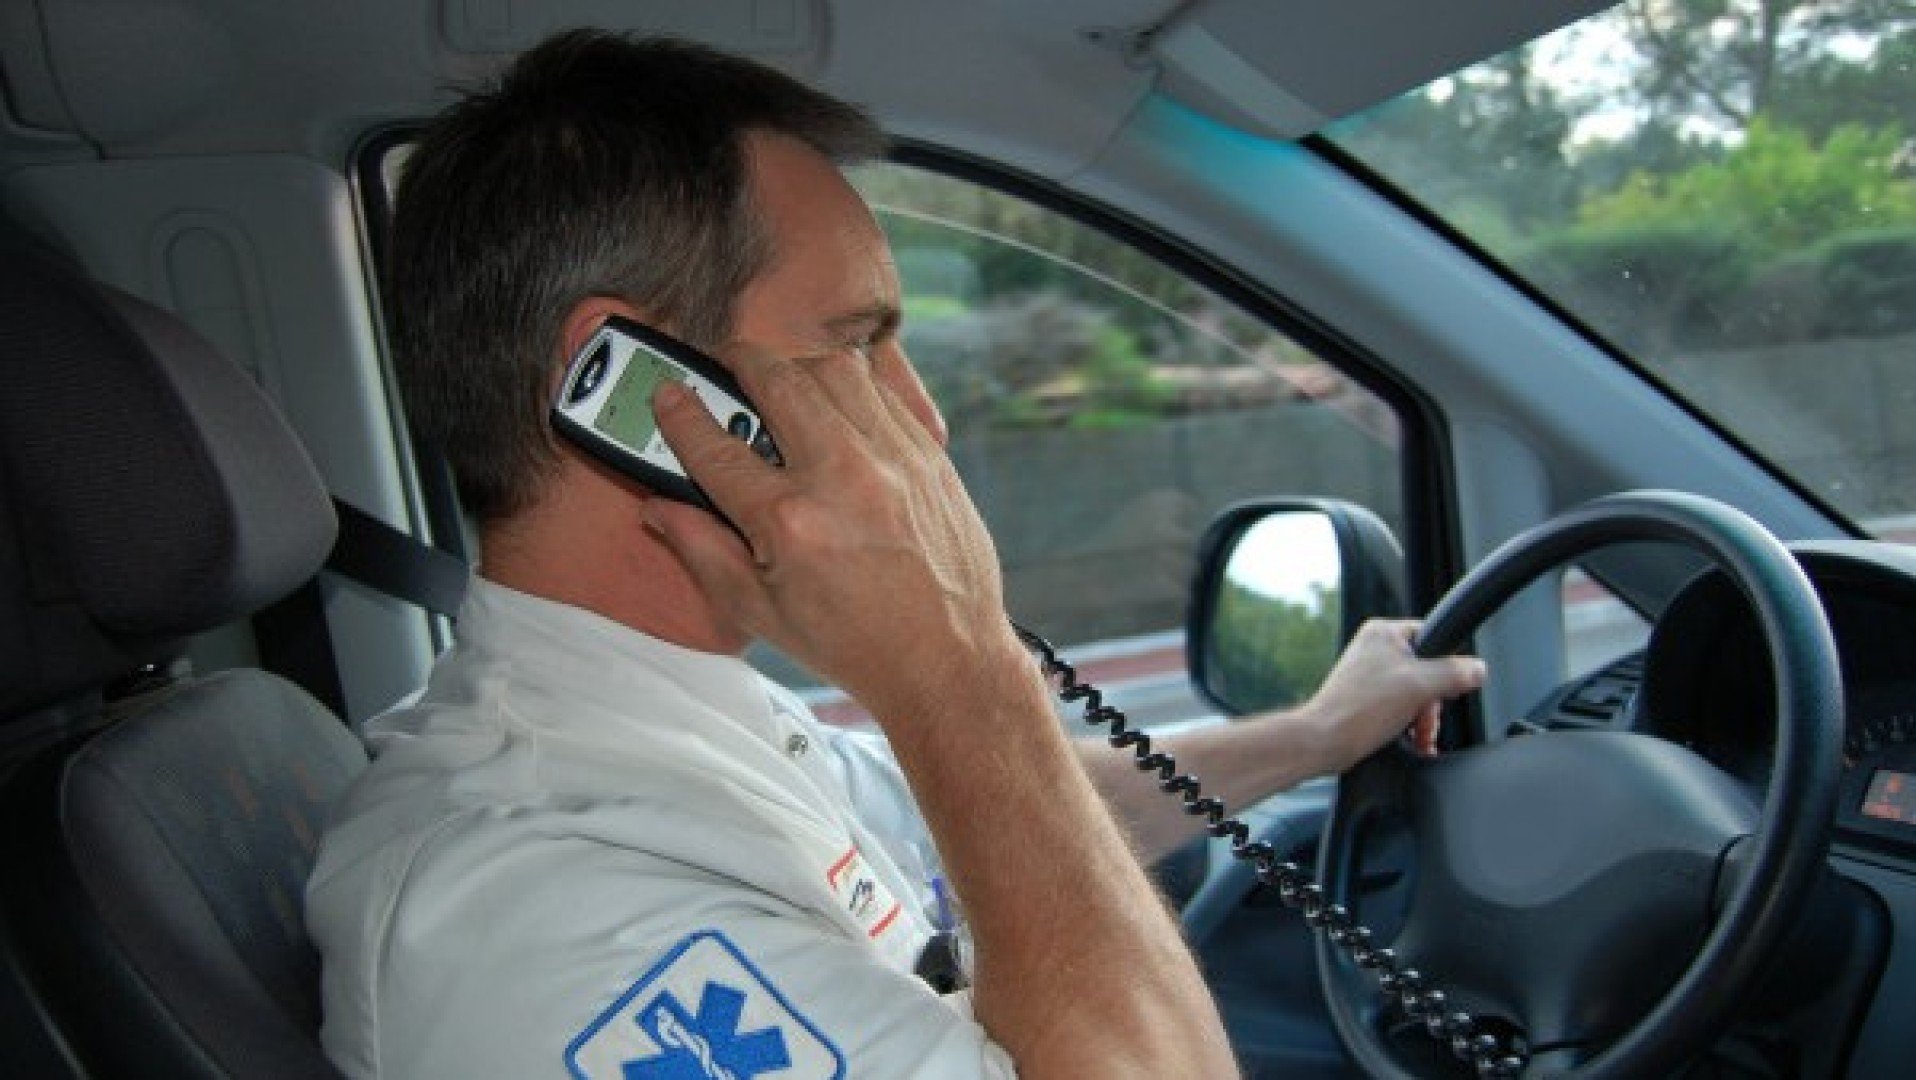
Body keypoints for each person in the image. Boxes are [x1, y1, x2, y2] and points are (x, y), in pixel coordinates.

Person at [304, 30, 1487, 1080]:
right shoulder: (529, 911)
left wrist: (1316, 734)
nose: (922, 423)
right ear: (629, 393)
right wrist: (950, 661)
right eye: (855, 345)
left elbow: (998, 811)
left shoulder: (678, 716)